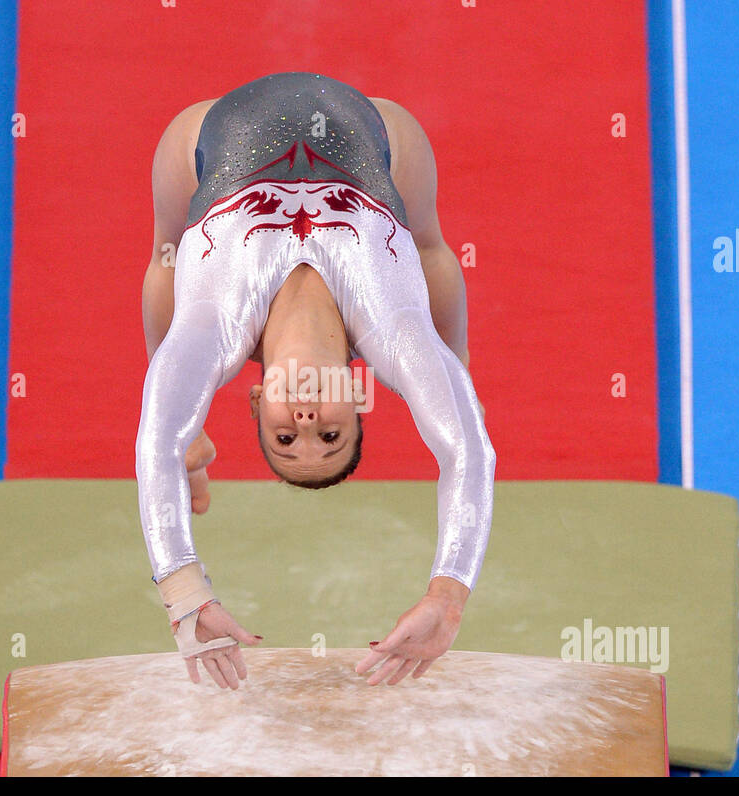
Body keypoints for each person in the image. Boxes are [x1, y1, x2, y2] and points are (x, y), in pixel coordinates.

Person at [138, 72, 495, 689]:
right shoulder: (392, 332)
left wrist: (186, 593)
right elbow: (468, 454)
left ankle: (188, 430)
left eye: (284, 441)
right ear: (361, 396)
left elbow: (152, 445)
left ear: (257, 400)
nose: (306, 428)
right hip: (378, 133)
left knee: (168, 261)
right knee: (431, 252)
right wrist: (447, 596)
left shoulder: (216, 328)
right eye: (331, 438)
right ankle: (455, 367)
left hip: (209, 133)